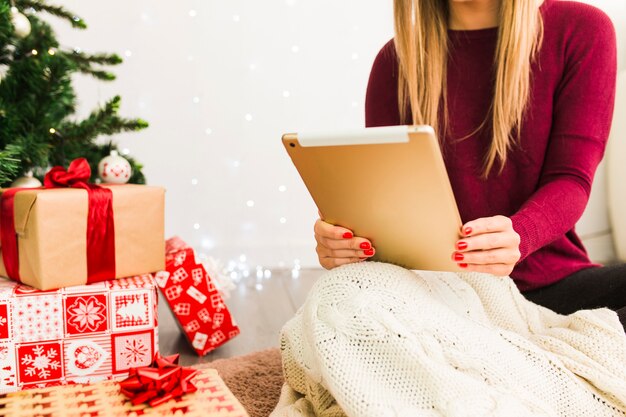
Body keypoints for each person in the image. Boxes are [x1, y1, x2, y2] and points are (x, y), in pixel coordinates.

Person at [313, 0, 625, 329]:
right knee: (338, 305)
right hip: (437, 295)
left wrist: (521, 234)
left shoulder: (581, 29)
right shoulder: (395, 62)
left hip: (550, 286)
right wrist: (345, 242)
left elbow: (571, 179)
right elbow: (386, 206)